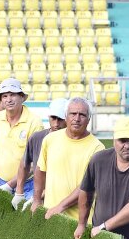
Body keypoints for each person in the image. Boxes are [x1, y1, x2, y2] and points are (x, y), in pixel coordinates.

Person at [74, 115, 129, 239]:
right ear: (113, 140)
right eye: (122, 140)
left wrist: (104, 227)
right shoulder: (98, 160)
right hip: (101, 238)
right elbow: (86, 191)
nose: (127, 146)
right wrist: (81, 224)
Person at [32, 91, 104, 220]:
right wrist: (37, 200)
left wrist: (60, 207)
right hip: (50, 216)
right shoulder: (50, 139)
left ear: (89, 119)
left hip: (80, 221)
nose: (77, 119)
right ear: (66, 116)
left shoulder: (97, 148)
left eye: (82, 115)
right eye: (73, 114)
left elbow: (88, 185)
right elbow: (40, 170)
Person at [0, 78, 43, 199]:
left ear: (21, 97)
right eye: (4, 96)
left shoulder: (35, 123)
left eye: (13, 95)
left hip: (26, 186)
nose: (9, 99)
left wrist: (10, 185)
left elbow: (36, 163)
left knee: (23, 218)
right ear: (0, 100)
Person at [11, 98, 69, 211]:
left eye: (61, 119)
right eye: (53, 118)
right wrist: (19, 191)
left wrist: (38, 196)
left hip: (62, 198)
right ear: (48, 117)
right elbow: (25, 164)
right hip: (37, 193)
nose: (56, 123)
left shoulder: (73, 143)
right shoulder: (37, 138)